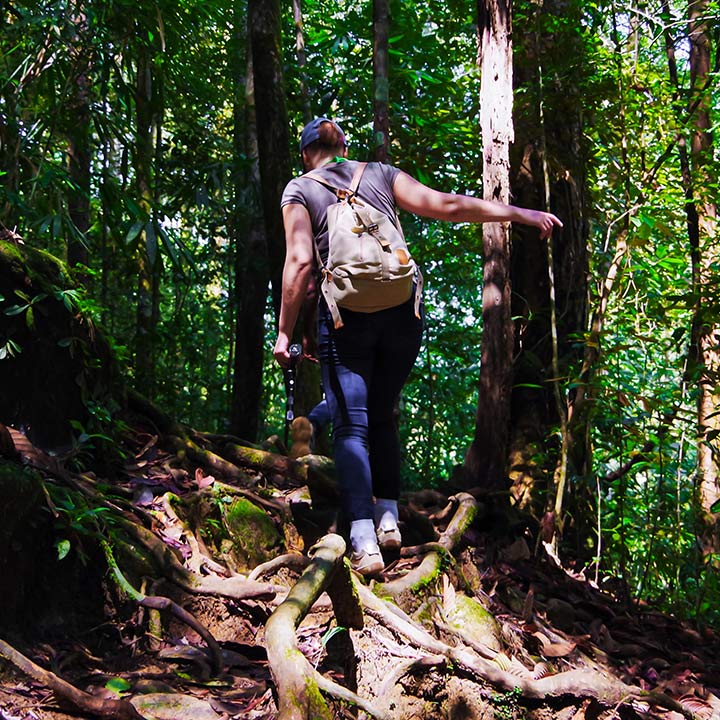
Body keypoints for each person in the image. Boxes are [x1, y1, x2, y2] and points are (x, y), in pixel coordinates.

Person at [274, 117, 562, 575]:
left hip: (348, 317)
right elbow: (445, 206)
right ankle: (389, 520)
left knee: (352, 425)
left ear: (307, 152)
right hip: (402, 314)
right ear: (343, 146)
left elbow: (301, 260)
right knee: (383, 413)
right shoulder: (380, 174)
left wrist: (286, 332)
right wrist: (518, 214)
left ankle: (363, 541)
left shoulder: (300, 189)